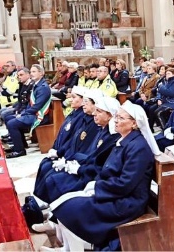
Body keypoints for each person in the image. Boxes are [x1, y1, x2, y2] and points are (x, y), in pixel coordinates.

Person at [48, 101, 159, 251]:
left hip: (128, 202)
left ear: (134, 123)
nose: (116, 120)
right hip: (115, 193)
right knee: (61, 202)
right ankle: (67, 248)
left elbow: (125, 184)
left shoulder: (138, 147)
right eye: (116, 116)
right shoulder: (124, 140)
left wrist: (97, 187)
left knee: (69, 210)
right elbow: (109, 171)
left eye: (120, 118)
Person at [5, 64, 52, 158]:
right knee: (8, 117)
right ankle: (21, 145)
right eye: (31, 72)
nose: (31, 74)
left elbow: (37, 106)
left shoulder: (43, 87)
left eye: (34, 71)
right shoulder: (36, 85)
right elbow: (29, 103)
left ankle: (20, 150)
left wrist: (23, 114)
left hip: (39, 116)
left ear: (41, 73)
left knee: (12, 123)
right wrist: (22, 113)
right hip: (34, 113)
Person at [0, 61, 19, 126]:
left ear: (13, 66)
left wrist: (0, 91)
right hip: (7, 96)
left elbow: (9, 92)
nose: (6, 68)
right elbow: (3, 87)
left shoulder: (14, 76)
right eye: (5, 66)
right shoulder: (8, 76)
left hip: (13, 98)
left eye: (8, 66)